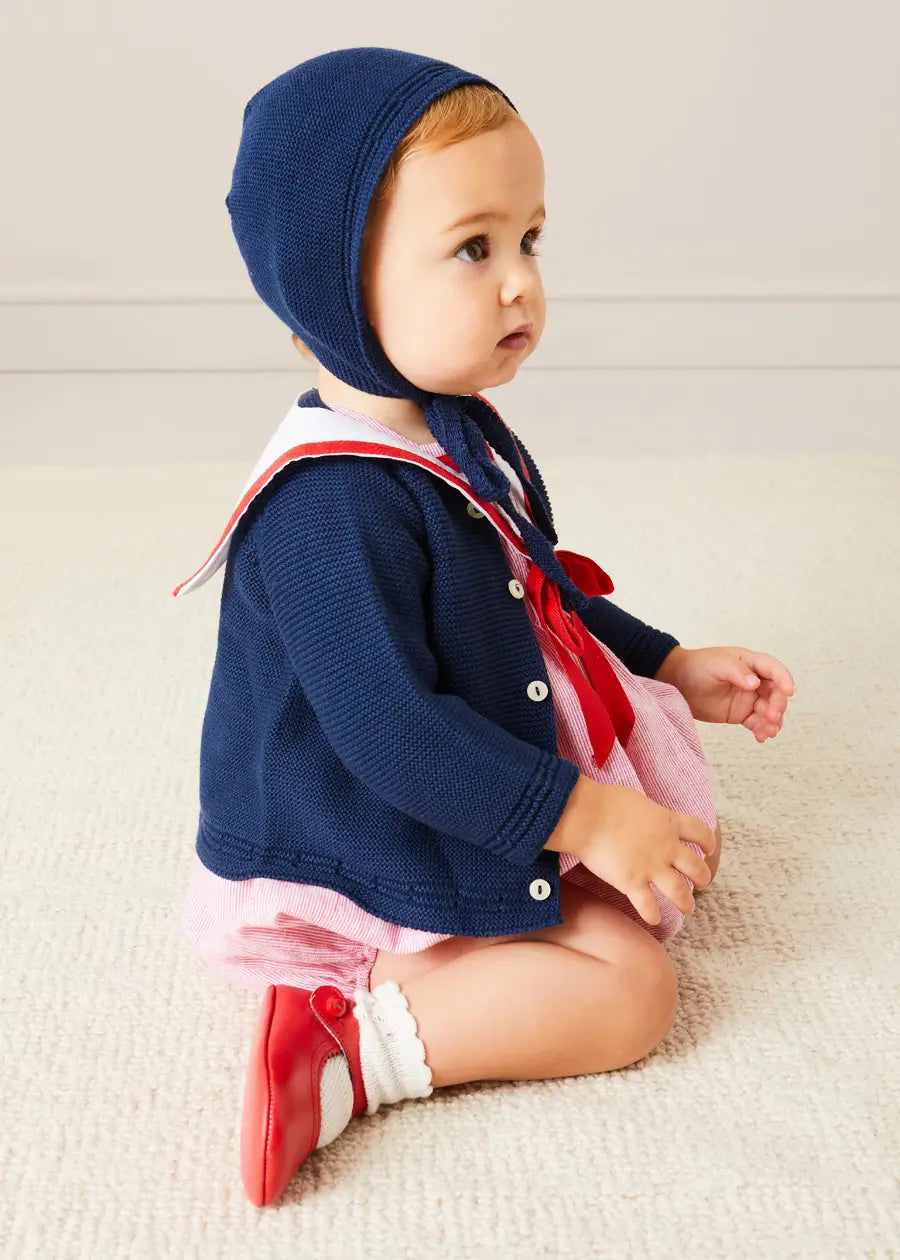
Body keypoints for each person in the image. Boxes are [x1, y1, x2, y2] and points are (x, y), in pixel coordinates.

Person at [174, 47, 796, 1208]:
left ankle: (444, 968)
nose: (521, 285)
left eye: (530, 240)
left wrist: (666, 660)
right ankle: (346, 1040)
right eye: (474, 248)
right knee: (631, 993)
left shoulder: (449, 428)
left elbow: (537, 586)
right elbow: (394, 738)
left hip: (453, 771)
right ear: (337, 286)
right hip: (373, 822)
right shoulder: (330, 506)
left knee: (671, 870)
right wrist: (586, 814)